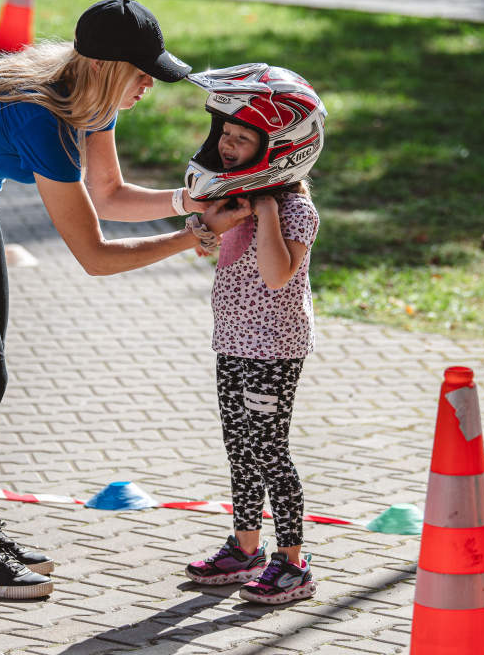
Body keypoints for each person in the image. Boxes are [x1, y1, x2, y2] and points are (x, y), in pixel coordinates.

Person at [0, 0, 251, 598]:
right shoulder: (42, 119)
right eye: (142, 73)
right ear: (106, 68)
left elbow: (110, 194)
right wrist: (194, 237)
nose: (150, 85)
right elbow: (96, 256)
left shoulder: (92, 99)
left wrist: (193, 203)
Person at [179, 64, 323, 604]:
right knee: (239, 448)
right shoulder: (237, 195)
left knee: (270, 450)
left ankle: (293, 563)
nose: (228, 144)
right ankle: (245, 548)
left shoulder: (294, 209)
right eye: (225, 134)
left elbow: (278, 273)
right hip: (233, 340)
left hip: (274, 348)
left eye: (242, 137)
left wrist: (263, 211)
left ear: (283, 146)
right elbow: (206, 245)